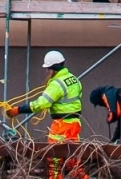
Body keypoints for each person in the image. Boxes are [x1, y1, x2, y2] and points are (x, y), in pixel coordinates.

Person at [6, 50, 87, 179]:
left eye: (48, 69)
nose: (46, 72)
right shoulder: (73, 79)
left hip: (61, 124)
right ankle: (82, 177)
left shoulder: (57, 84)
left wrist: (19, 110)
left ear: (53, 68)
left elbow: (42, 104)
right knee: (73, 155)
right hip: (75, 123)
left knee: (54, 155)